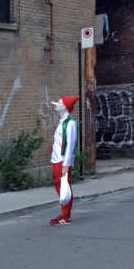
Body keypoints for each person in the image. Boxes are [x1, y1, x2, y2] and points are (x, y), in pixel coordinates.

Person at [49, 95, 78, 225]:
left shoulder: (70, 123)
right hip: (56, 159)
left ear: (65, 107)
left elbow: (71, 144)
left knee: (64, 187)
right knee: (59, 186)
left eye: (59, 102)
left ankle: (66, 216)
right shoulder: (62, 121)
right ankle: (64, 213)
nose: (56, 104)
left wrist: (66, 164)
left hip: (62, 160)